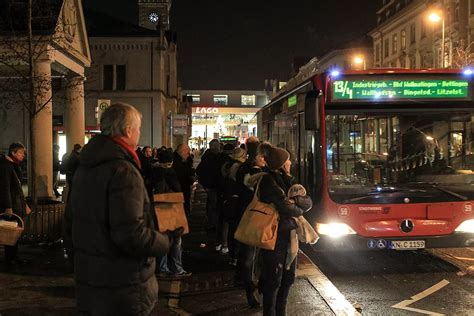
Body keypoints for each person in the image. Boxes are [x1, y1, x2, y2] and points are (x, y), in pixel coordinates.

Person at [65, 103, 174, 315]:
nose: (140, 134)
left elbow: (69, 224)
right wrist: (165, 240)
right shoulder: (123, 171)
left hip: (91, 282)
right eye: (139, 128)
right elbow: (131, 234)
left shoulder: (85, 167)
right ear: (128, 130)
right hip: (124, 286)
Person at [256, 142, 312, 316]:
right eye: (287, 160)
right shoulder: (268, 181)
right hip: (274, 234)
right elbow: (287, 207)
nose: (290, 162)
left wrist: (297, 204)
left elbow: (307, 200)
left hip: (289, 234)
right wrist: (297, 205)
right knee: (274, 280)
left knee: (287, 278)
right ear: (281, 164)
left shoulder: (289, 180)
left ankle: (281, 312)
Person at [235, 137, 265, 308]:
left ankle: (246, 283)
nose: (264, 160)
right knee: (250, 257)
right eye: (262, 156)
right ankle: (250, 289)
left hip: (249, 217)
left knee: (249, 256)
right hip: (253, 219)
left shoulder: (243, 169)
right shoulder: (256, 174)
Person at [153, 148, 191, 277]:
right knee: (176, 240)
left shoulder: (154, 173)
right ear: (172, 161)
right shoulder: (171, 173)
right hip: (173, 208)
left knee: (164, 239)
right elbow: (178, 190)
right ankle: (177, 268)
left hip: (158, 208)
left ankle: (163, 268)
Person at [0, 142, 31, 265]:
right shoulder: (6, 166)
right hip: (12, 204)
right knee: (10, 231)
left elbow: (17, 187)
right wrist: (8, 207)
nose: (23, 155)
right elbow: (5, 187)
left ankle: (13, 256)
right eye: (21, 152)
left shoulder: (13, 165)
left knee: (15, 231)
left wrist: (25, 205)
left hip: (17, 203)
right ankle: (11, 258)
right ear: (13, 153)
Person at [220, 147, 247, 265]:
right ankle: (236, 256)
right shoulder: (239, 168)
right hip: (237, 202)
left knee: (230, 227)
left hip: (227, 200)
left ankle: (231, 253)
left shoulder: (226, 166)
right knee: (237, 228)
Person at [196, 139, 221, 231]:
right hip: (214, 186)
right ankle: (213, 224)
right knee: (214, 205)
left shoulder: (206, 157)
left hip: (211, 186)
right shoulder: (217, 157)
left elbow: (199, 171)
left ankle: (212, 223)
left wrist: (205, 185)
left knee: (211, 205)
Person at [173, 144, 195, 216]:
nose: (188, 155)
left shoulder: (182, 160)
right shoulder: (176, 162)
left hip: (183, 188)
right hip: (180, 189)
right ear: (182, 152)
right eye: (187, 153)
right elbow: (182, 174)